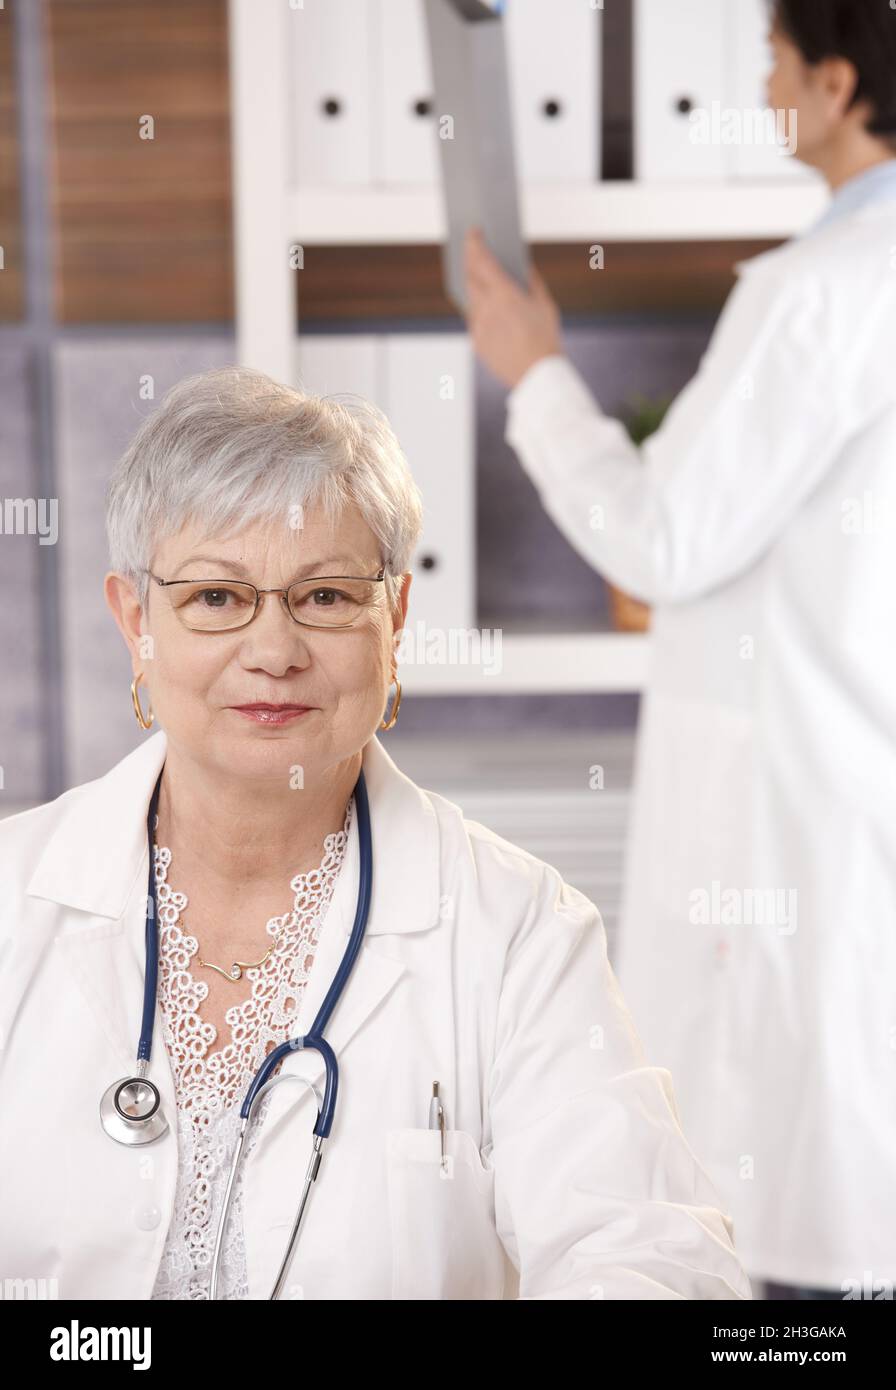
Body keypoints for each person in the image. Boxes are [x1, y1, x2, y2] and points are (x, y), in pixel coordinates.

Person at [0, 367, 750, 1300]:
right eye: (216, 598)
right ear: (135, 624)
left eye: (324, 597)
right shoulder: (11, 902)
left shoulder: (517, 930)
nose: (273, 651)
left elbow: (658, 1265)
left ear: (394, 620)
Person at [463, 0, 896, 1299]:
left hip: (808, 806)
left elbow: (658, 536)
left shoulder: (825, 288)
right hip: (849, 779)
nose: (763, 84)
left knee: (782, 1196)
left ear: (832, 83)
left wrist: (536, 372)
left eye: (774, 61)